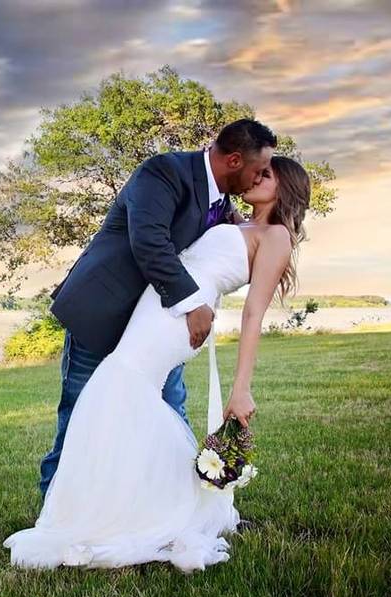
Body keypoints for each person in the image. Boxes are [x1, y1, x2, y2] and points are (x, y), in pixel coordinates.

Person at [4, 155, 310, 572]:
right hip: (162, 303)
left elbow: (253, 313)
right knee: (125, 392)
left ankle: (131, 510)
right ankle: (134, 504)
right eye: (258, 169)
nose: (257, 177)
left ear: (285, 188)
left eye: (268, 175)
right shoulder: (238, 220)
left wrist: (242, 388)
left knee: (121, 383)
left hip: (183, 316)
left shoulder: (276, 236)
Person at [39, 119, 277, 502]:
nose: (261, 176)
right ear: (234, 160)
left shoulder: (224, 204)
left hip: (156, 327)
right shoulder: (164, 171)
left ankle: (183, 511)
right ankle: (53, 511)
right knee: (80, 412)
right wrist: (193, 304)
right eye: (259, 169)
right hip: (102, 313)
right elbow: (149, 241)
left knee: (170, 412)